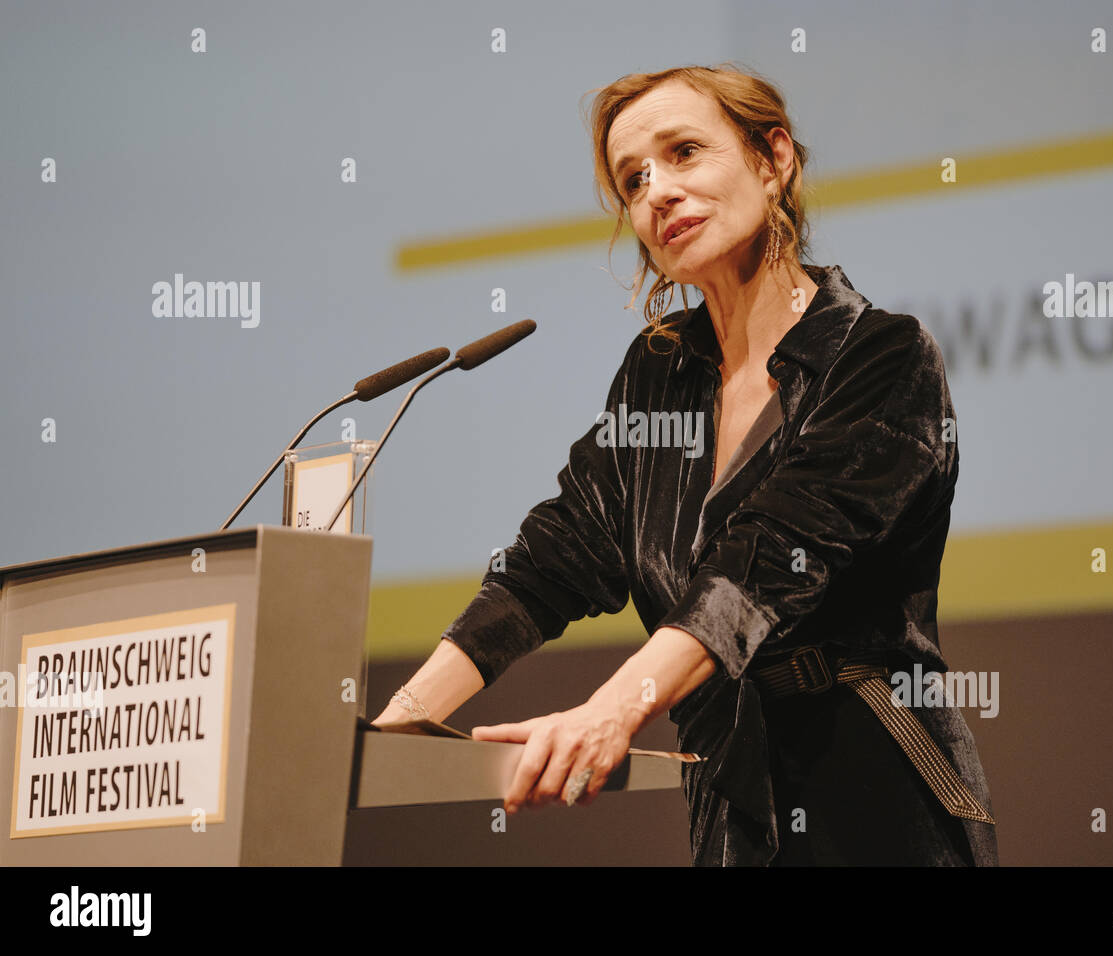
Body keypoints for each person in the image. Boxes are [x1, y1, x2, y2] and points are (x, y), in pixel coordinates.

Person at [372, 63, 998, 867]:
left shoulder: (880, 354)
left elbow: (762, 566)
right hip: (730, 802)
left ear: (773, 160)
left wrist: (610, 710)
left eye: (684, 153)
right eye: (634, 180)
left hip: (874, 799)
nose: (657, 191)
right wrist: (404, 720)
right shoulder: (658, 372)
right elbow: (556, 557)